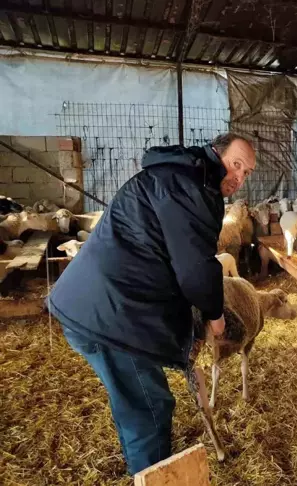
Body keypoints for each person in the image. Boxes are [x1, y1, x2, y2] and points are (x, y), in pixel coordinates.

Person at [47, 133, 256, 475]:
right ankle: (151, 474)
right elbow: (194, 268)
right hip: (113, 314)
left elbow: (172, 260)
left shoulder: (177, 177)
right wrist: (215, 315)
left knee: (131, 397)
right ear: (216, 153)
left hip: (97, 304)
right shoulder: (190, 189)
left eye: (246, 173)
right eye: (236, 165)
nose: (239, 177)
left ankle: (138, 467)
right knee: (150, 405)